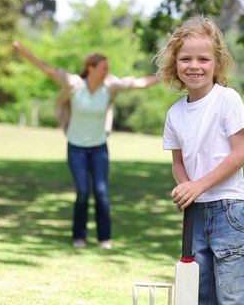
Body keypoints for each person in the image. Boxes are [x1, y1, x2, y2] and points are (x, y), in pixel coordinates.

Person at [12, 41, 158, 250]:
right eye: (104, 68)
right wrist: (24, 52)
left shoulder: (110, 86)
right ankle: (78, 236)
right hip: (76, 147)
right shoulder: (74, 84)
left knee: (101, 192)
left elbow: (139, 83)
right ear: (91, 68)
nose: (107, 71)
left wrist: (166, 75)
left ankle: (104, 238)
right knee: (82, 191)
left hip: (99, 147)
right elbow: (47, 69)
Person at [156, 16, 244, 304]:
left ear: (217, 63)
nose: (194, 66)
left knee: (232, 296)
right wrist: (186, 187)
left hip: (230, 209)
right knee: (198, 294)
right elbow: (178, 162)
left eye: (203, 59)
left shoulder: (228, 100)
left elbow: (241, 153)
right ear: (175, 64)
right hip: (196, 213)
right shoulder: (175, 113)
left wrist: (197, 185)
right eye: (186, 58)